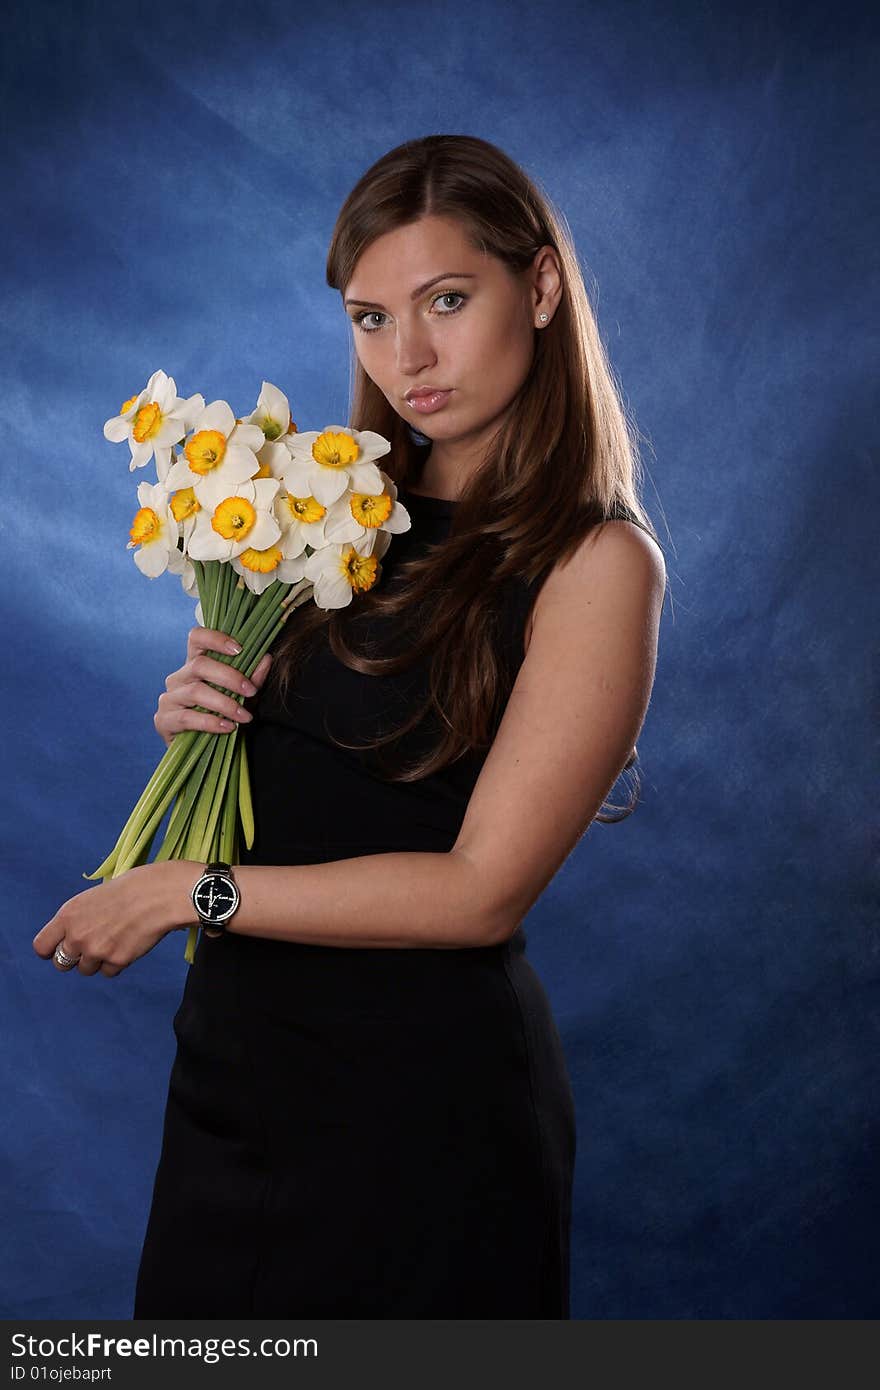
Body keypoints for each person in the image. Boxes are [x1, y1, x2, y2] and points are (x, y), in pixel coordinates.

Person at [33, 134, 666, 1318]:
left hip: (421, 1112)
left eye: (445, 300)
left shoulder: (597, 561)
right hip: (237, 1078)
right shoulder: (333, 512)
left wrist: (190, 888)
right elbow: (323, 776)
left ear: (538, 286)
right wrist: (210, 723)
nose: (408, 355)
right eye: (371, 318)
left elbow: (479, 890)